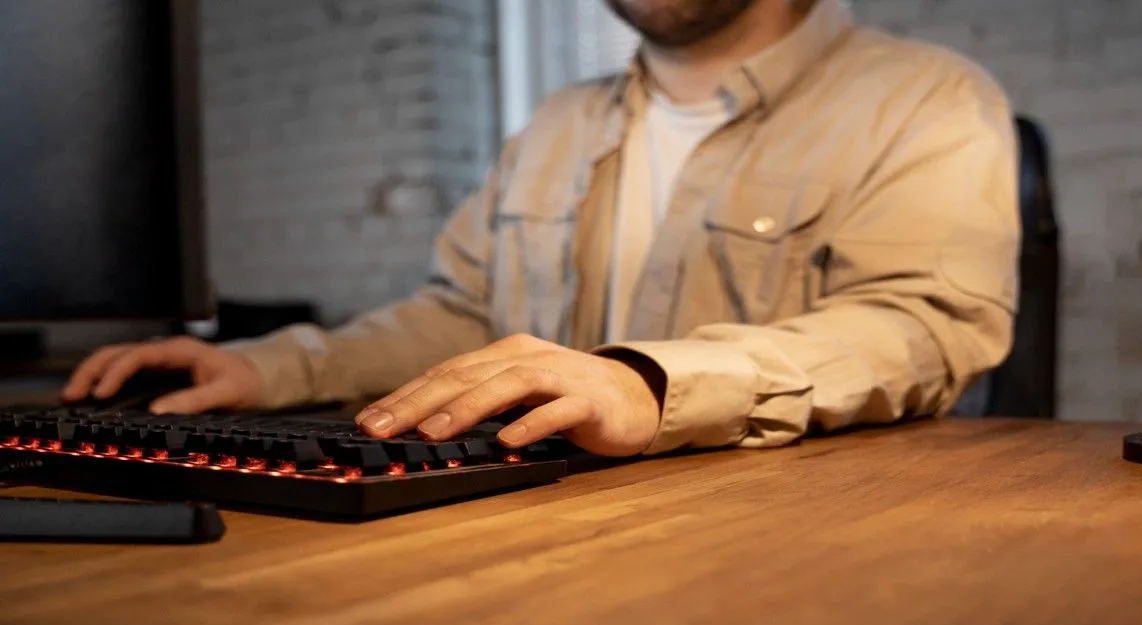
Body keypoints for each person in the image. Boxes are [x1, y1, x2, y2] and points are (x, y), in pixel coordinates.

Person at [63, 0, 1020, 458]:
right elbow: (464, 316)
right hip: (555, 530)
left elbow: (923, 328)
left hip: (785, 554)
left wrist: (649, 382)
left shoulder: (925, 99)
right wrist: (269, 370)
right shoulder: (560, 123)